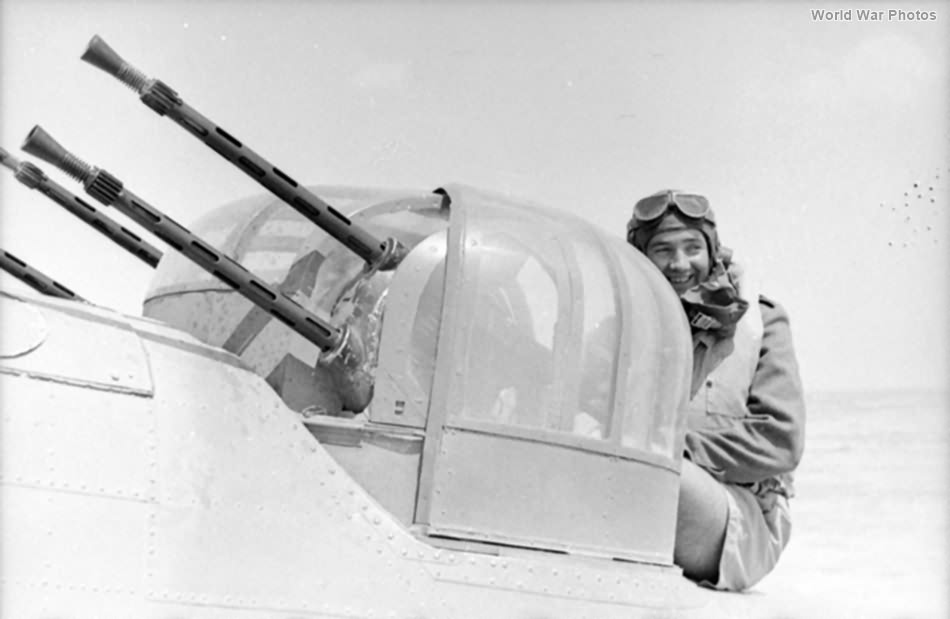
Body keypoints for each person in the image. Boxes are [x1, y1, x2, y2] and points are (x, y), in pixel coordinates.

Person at [626, 189, 806, 591]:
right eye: (663, 249)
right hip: (641, 485)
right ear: (641, 258)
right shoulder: (621, 322)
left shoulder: (764, 321)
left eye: (692, 247)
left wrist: (674, 449)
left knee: (646, 475)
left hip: (739, 518)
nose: (679, 264)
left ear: (712, 251)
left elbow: (781, 441)